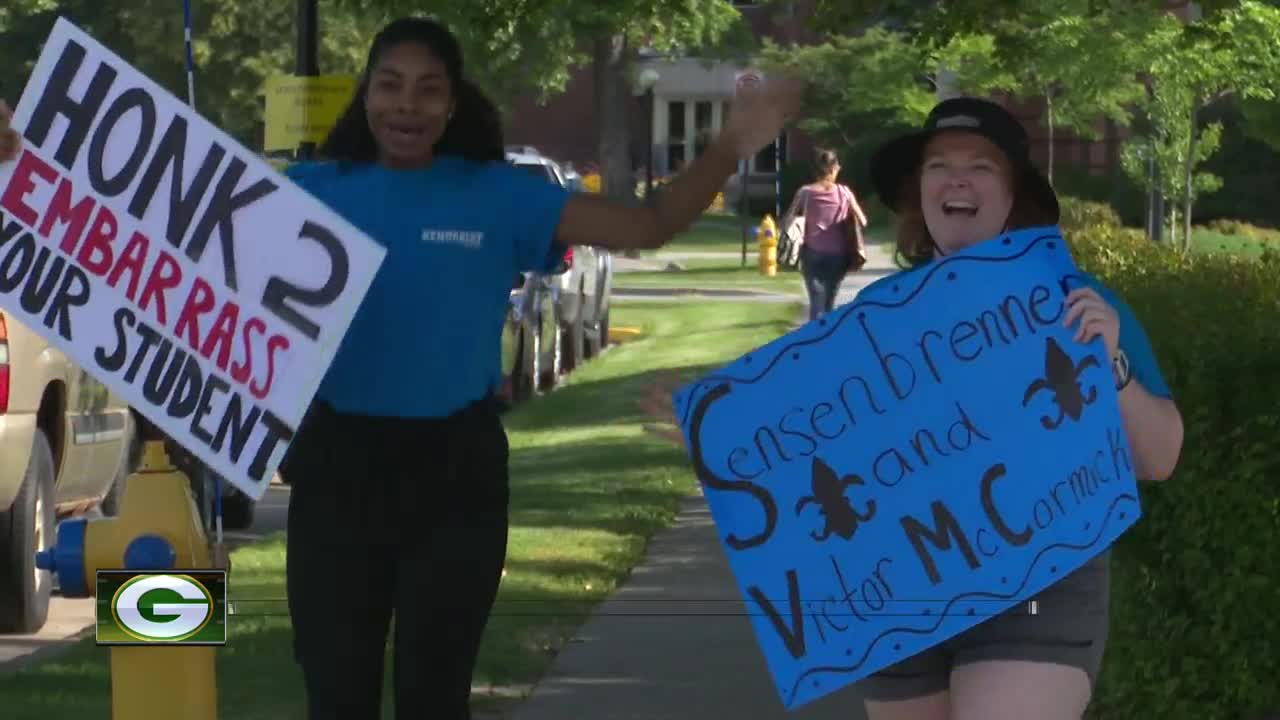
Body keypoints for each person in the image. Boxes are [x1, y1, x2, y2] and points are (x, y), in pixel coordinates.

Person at [0, 17, 801, 720]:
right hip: (336, 468)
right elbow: (146, 224)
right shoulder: (303, 193)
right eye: (390, 86)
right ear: (365, 97)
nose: (406, 106)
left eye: (427, 90)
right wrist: (21, 157)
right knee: (337, 694)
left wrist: (732, 142)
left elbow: (651, 224)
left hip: (456, 474)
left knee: (433, 694)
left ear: (452, 105)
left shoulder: (501, 196)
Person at [855, 96, 1185, 720]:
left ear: (1014, 197)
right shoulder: (874, 315)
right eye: (938, 166)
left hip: (1038, 589)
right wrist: (725, 450)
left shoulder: (1076, 303)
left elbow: (1160, 458)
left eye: (980, 166)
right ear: (918, 193)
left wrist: (1109, 365)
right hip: (906, 591)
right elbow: (824, 460)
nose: (956, 179)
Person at [779, 148, 868, 320]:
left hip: (812, 254)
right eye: (838, 166)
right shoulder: (844, 193)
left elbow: (787, 221)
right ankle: (828, 337)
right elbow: (862, 221)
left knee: (816, 303)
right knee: (829, 302)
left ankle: (814, 339)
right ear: (833, 168)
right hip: (839, 255)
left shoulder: (805, 192)